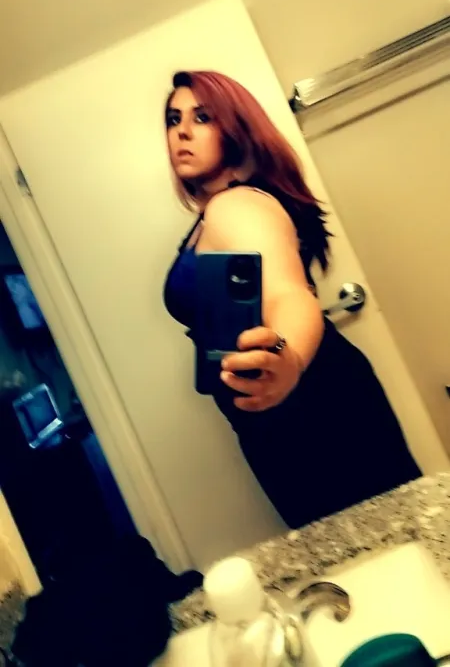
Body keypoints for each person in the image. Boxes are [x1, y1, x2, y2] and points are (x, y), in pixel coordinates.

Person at [163, 70, 420, 530]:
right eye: (173, 118)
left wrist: (291, 358)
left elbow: (288, 293)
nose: (181, 130)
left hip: (313, 407)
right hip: (276, 411)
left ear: (234, 129)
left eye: (201, 117)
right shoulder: (215, 216)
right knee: (361, 548)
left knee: (384, 544)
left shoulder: (236, 206)